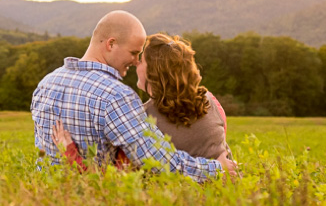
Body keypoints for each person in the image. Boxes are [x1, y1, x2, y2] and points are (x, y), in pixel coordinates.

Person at [30, 10, 235, 182]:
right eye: (133, 52)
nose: (135, 61)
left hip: (45, 199)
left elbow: (44, 153)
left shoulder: (45, 84)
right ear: (111, 44)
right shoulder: (115, 96)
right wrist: (215, 169)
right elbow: (156, 160)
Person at [54, 32, 232, 168]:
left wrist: (70, 152)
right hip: (225, 193)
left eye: (142, 60)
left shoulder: (142, 117)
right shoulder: (210, 100)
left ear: (153, 74)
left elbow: (115, 177)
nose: (135, 63)